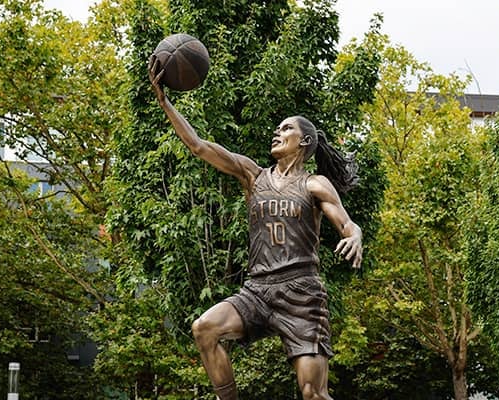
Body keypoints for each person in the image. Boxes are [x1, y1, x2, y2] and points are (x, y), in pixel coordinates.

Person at [149, 56, 363, 400]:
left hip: (302, 293)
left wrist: (356, 238)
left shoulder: (315, 184)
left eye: (286, 128)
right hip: (258, 291)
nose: (277, 132)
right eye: (277, 128)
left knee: (313, 393)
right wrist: (165, 102)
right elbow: (199, 146)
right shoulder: (253, 175)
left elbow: (347, 224)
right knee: (204, 329)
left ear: (304, 141)